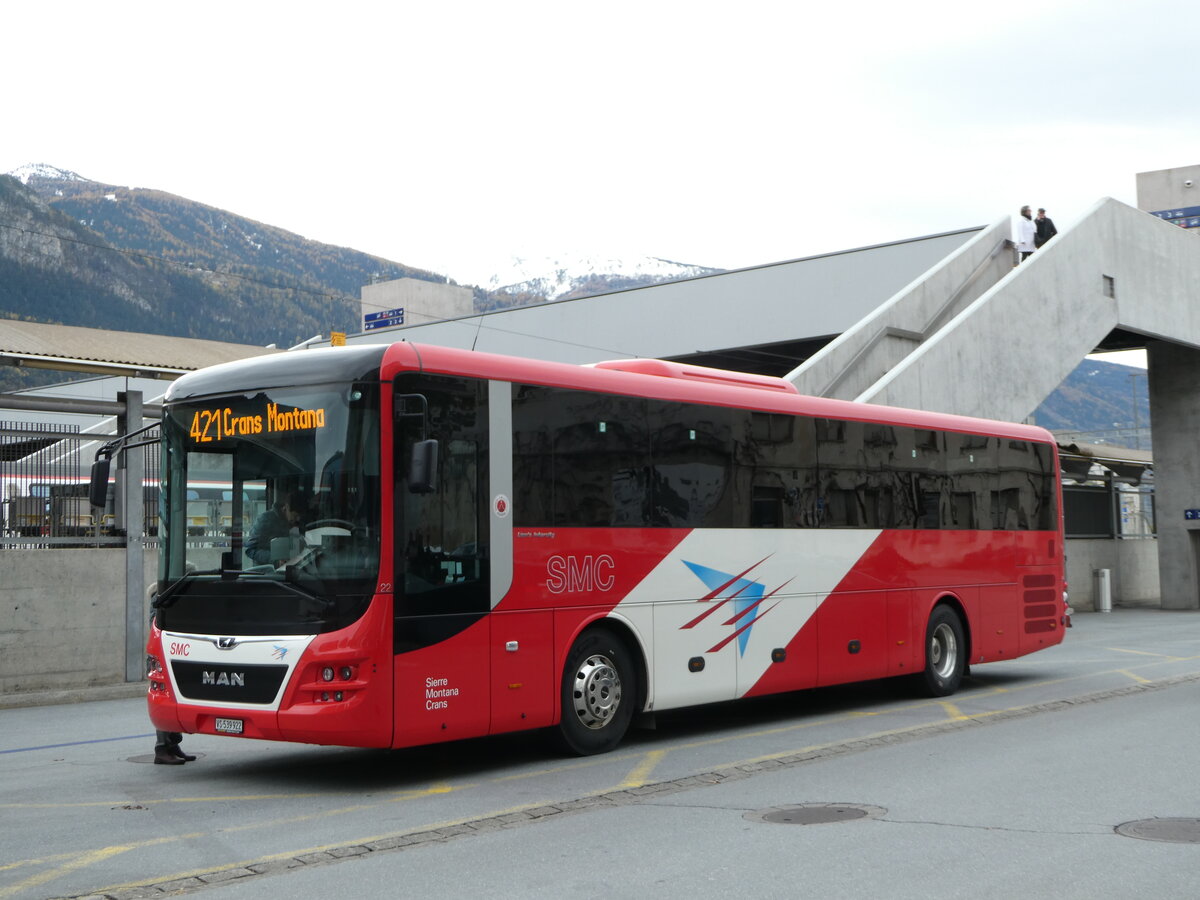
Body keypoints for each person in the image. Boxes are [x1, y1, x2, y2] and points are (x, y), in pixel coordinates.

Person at [245, 490, 303, 565]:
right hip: (267, 571)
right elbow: (251, 550)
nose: (298, 519)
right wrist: (276, 560)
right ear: (286, 507)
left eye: (299, 516)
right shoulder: (265, 520)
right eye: (295, 516)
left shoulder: (295, 523)